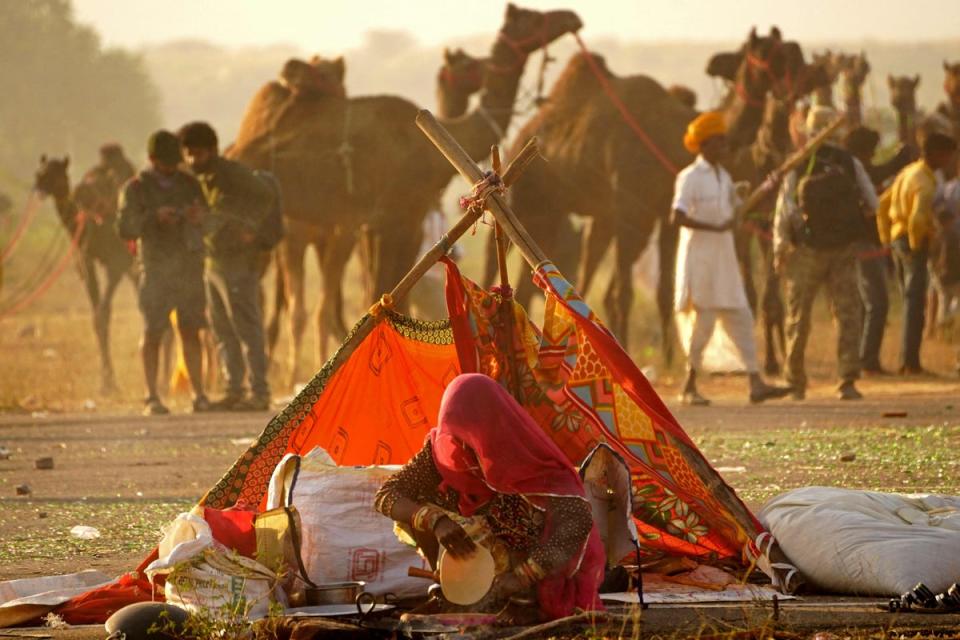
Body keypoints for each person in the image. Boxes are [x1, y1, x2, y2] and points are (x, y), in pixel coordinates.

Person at [374, 374, 604, 624]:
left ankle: (523, 602)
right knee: (415, 504)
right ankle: (455, 595)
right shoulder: (443, 448)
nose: (466, 446)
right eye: (458, 435)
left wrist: (521, 577)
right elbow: (387, 495)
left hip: (532, 572)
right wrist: (437, 522)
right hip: (478, 560)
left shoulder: (525, 454)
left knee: (536, 515)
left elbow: (578, 520)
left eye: (474, 434)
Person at [672, 111, 791, 405]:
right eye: (719, 143)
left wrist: (768, 187)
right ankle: (689, 386)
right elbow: (677, 217)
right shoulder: (689, 178)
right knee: (703, 324)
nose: (725, 148)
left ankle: (755, 382)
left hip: (724, 261)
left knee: (742, 317)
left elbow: (739, 210)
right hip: (700, 262)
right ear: (705, 146)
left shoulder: (723, 178)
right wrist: (714, 227)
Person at [773, 106, 878, 400]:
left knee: (798, 316)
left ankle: (795, 381)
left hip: (806, 250)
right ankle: (847, 380)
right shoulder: (849, 163)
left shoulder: (800, 163)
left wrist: (781, 248)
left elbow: (785, 211)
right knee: (848, 314)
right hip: (844, 250)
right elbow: (872, 204)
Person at [178, 122, 275, 411]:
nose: (193, 159)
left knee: (247, 326)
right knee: (222, 330)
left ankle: (259, 392)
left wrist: (250, 227)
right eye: (189, 154)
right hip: (213, 260)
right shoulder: (201, 178)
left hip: (237, 261)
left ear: (211, 150)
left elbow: (265, 196)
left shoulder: (233, 173)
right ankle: (234, 390)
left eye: (197, 153)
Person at [116, 131, 209, 415]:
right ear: (153, 159)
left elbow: (207, 219)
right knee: (153, 332)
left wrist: (198, 217)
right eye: (165, 163)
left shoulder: (190, 184)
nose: (171, 168)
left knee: (191, 331)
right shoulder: (135, 188)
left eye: (174, 162)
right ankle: (152, 397)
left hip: (188, 267)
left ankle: (199, 395)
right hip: (156, 268)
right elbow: (124, 228)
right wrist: (154, 218)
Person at [877, 132, 958, 374]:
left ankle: (907, 358)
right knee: (915, 303)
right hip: (913, 243)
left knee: (909, 300)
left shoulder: (908, 172)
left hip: (897, 240)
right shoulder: (925, 182)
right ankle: (910, 363)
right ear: (937, 154)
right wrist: (916, 247)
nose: (949, 161)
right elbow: (917, 219)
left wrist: (886, 238)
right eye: (947, 156)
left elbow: (882, 204)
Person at [843, 126, 891, 375]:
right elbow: (873, 201)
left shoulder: (843, 169)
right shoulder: (856, 169)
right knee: (878, 302)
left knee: (864, 303)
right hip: (863, 244)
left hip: (856, 244)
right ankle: (868, 360)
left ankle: (862, 357)